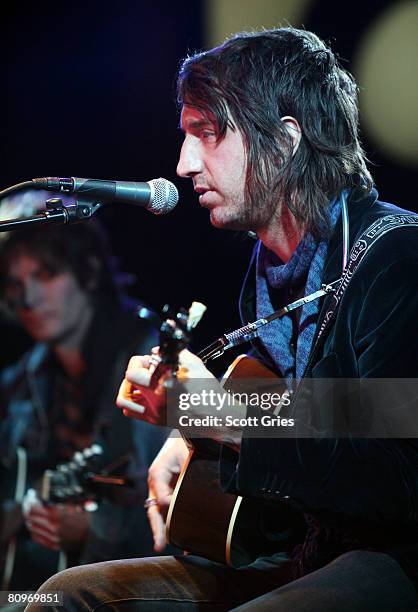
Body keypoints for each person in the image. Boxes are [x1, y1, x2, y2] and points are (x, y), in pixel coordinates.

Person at [27, 27, 418, 611]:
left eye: (205, 134)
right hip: (299, 555)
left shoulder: (396, 257)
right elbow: (308, 417)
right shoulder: (265, 276)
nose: (183, 163)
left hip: (396, 557)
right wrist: (190, 433)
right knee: (66, 597)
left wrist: (228, 421)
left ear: (284, 141)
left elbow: (398, 473)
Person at [0, 199, 169, 595]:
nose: (28, 298)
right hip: (35, 592)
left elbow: (182, 524)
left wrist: (95, 533)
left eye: (46, 274)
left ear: (88, 271)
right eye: (15, 283)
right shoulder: (22, 381)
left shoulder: (148, 364)